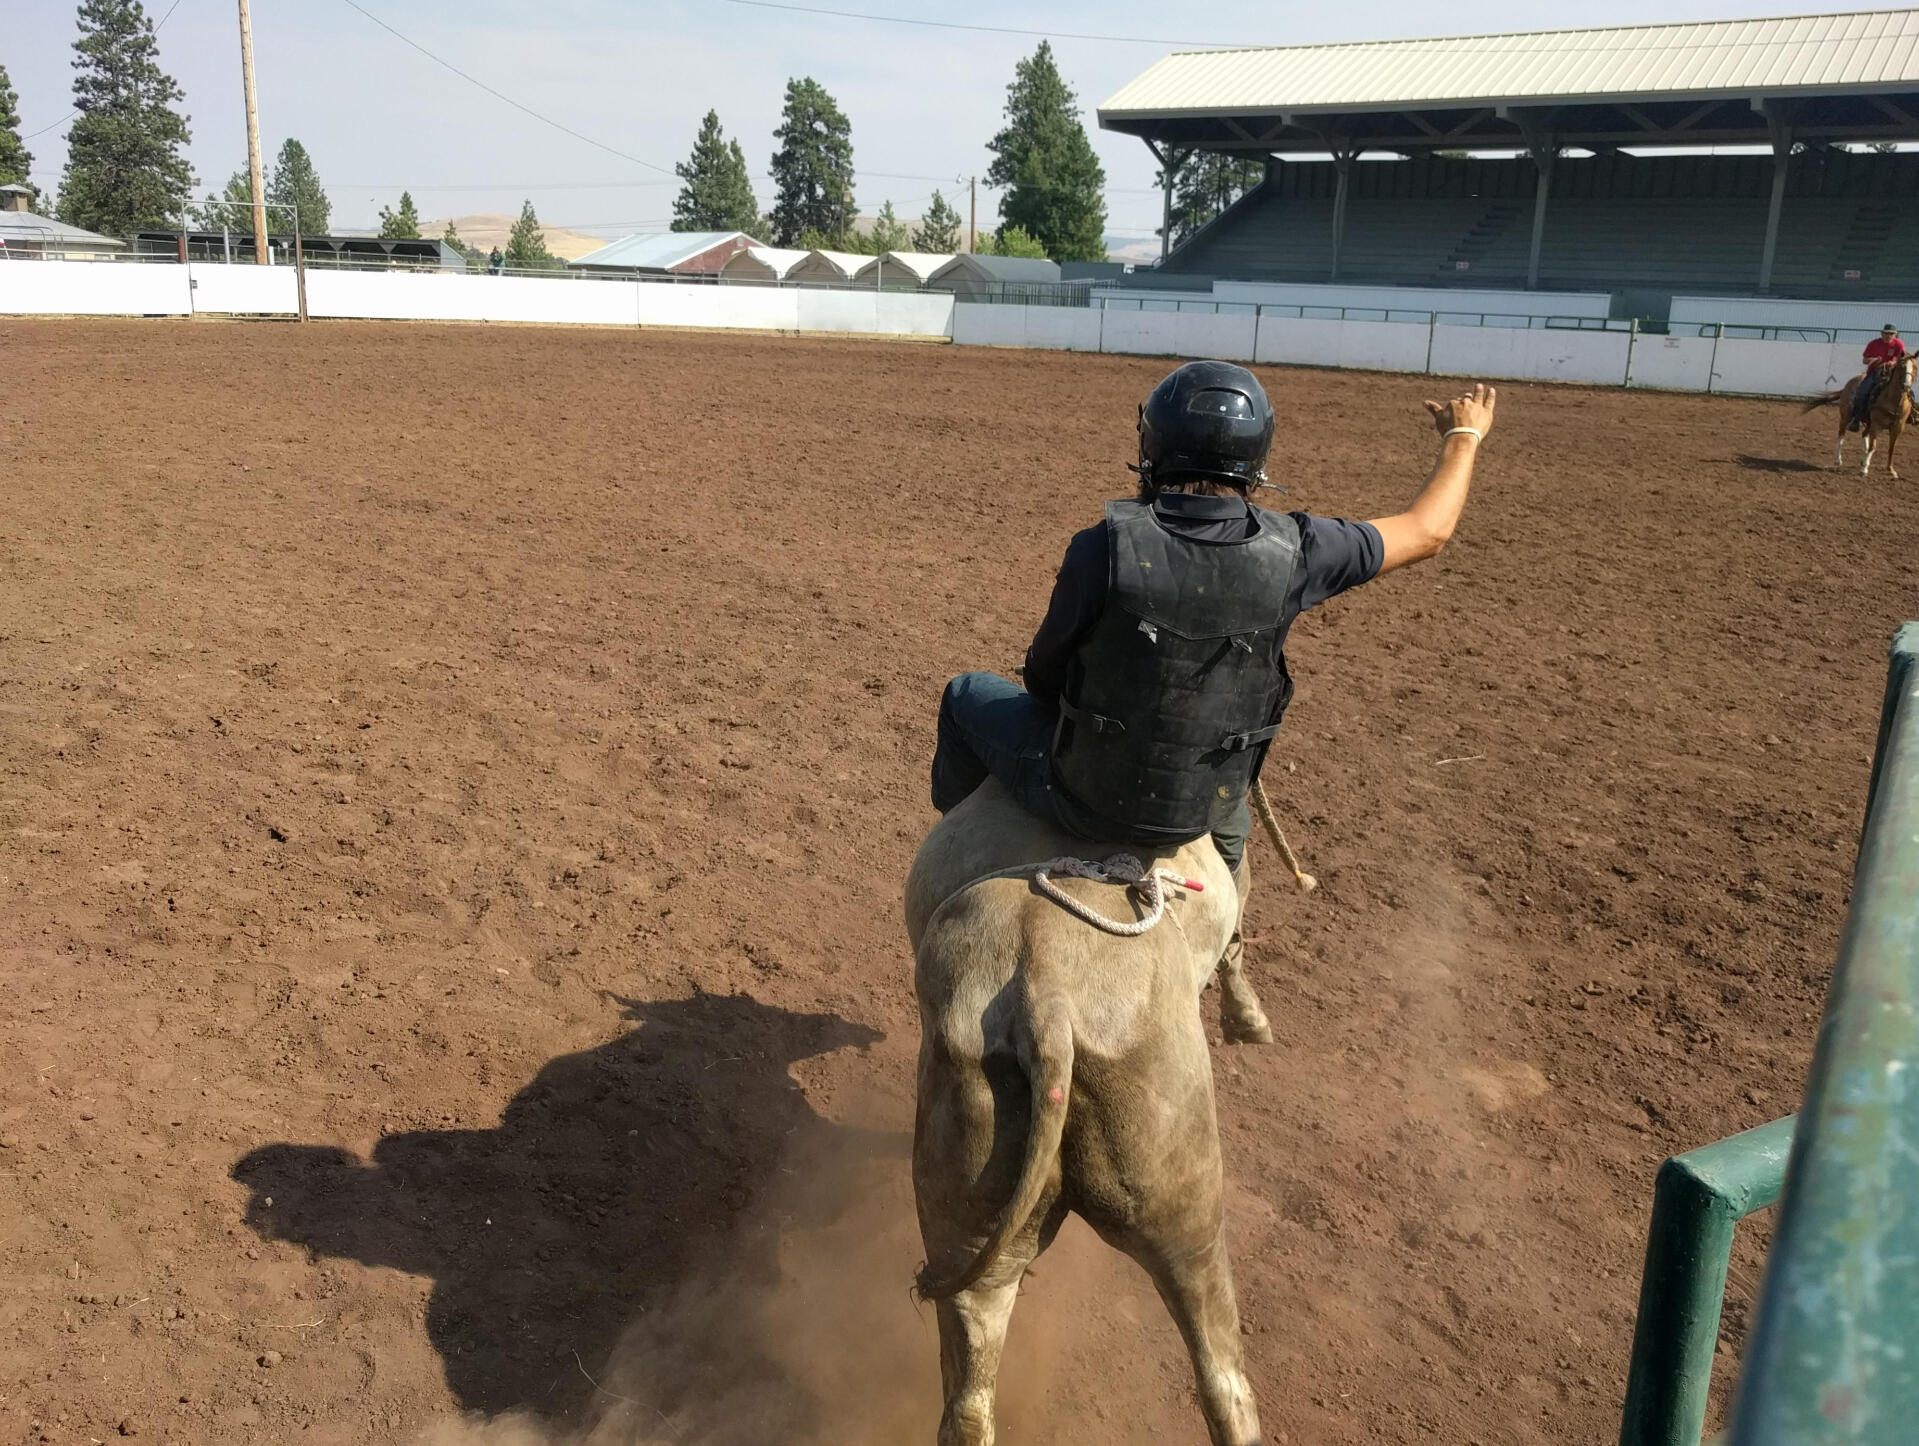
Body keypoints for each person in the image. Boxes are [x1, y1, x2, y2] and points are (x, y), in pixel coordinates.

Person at [930, 359, 1496, 887]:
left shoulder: (1100, 547)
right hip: (1206, 804)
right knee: (1230, 816)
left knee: (965, 695)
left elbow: (1043, 682)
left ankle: (962, 850)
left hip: (1083, 796)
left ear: (1153, 447)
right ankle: (1223, 906)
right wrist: (1462, 437)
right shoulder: (1302, 549)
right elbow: (1428, 531)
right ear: (1257, 462)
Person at [1852, 323, 1907, 428]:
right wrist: (1873, 360)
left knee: (1907, 391)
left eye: (1891, 334)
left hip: (1892, 373)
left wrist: (1893, 363)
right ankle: (1856, 418)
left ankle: (1912, 414)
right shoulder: (1873, 344)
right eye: (1886, 333)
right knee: (1862, 392)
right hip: (1875, 372)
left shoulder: (1899, 345)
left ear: (1895, 335)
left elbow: (1901, 358)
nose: (1888, 336)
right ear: (1882, 334)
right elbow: (1864, 360)